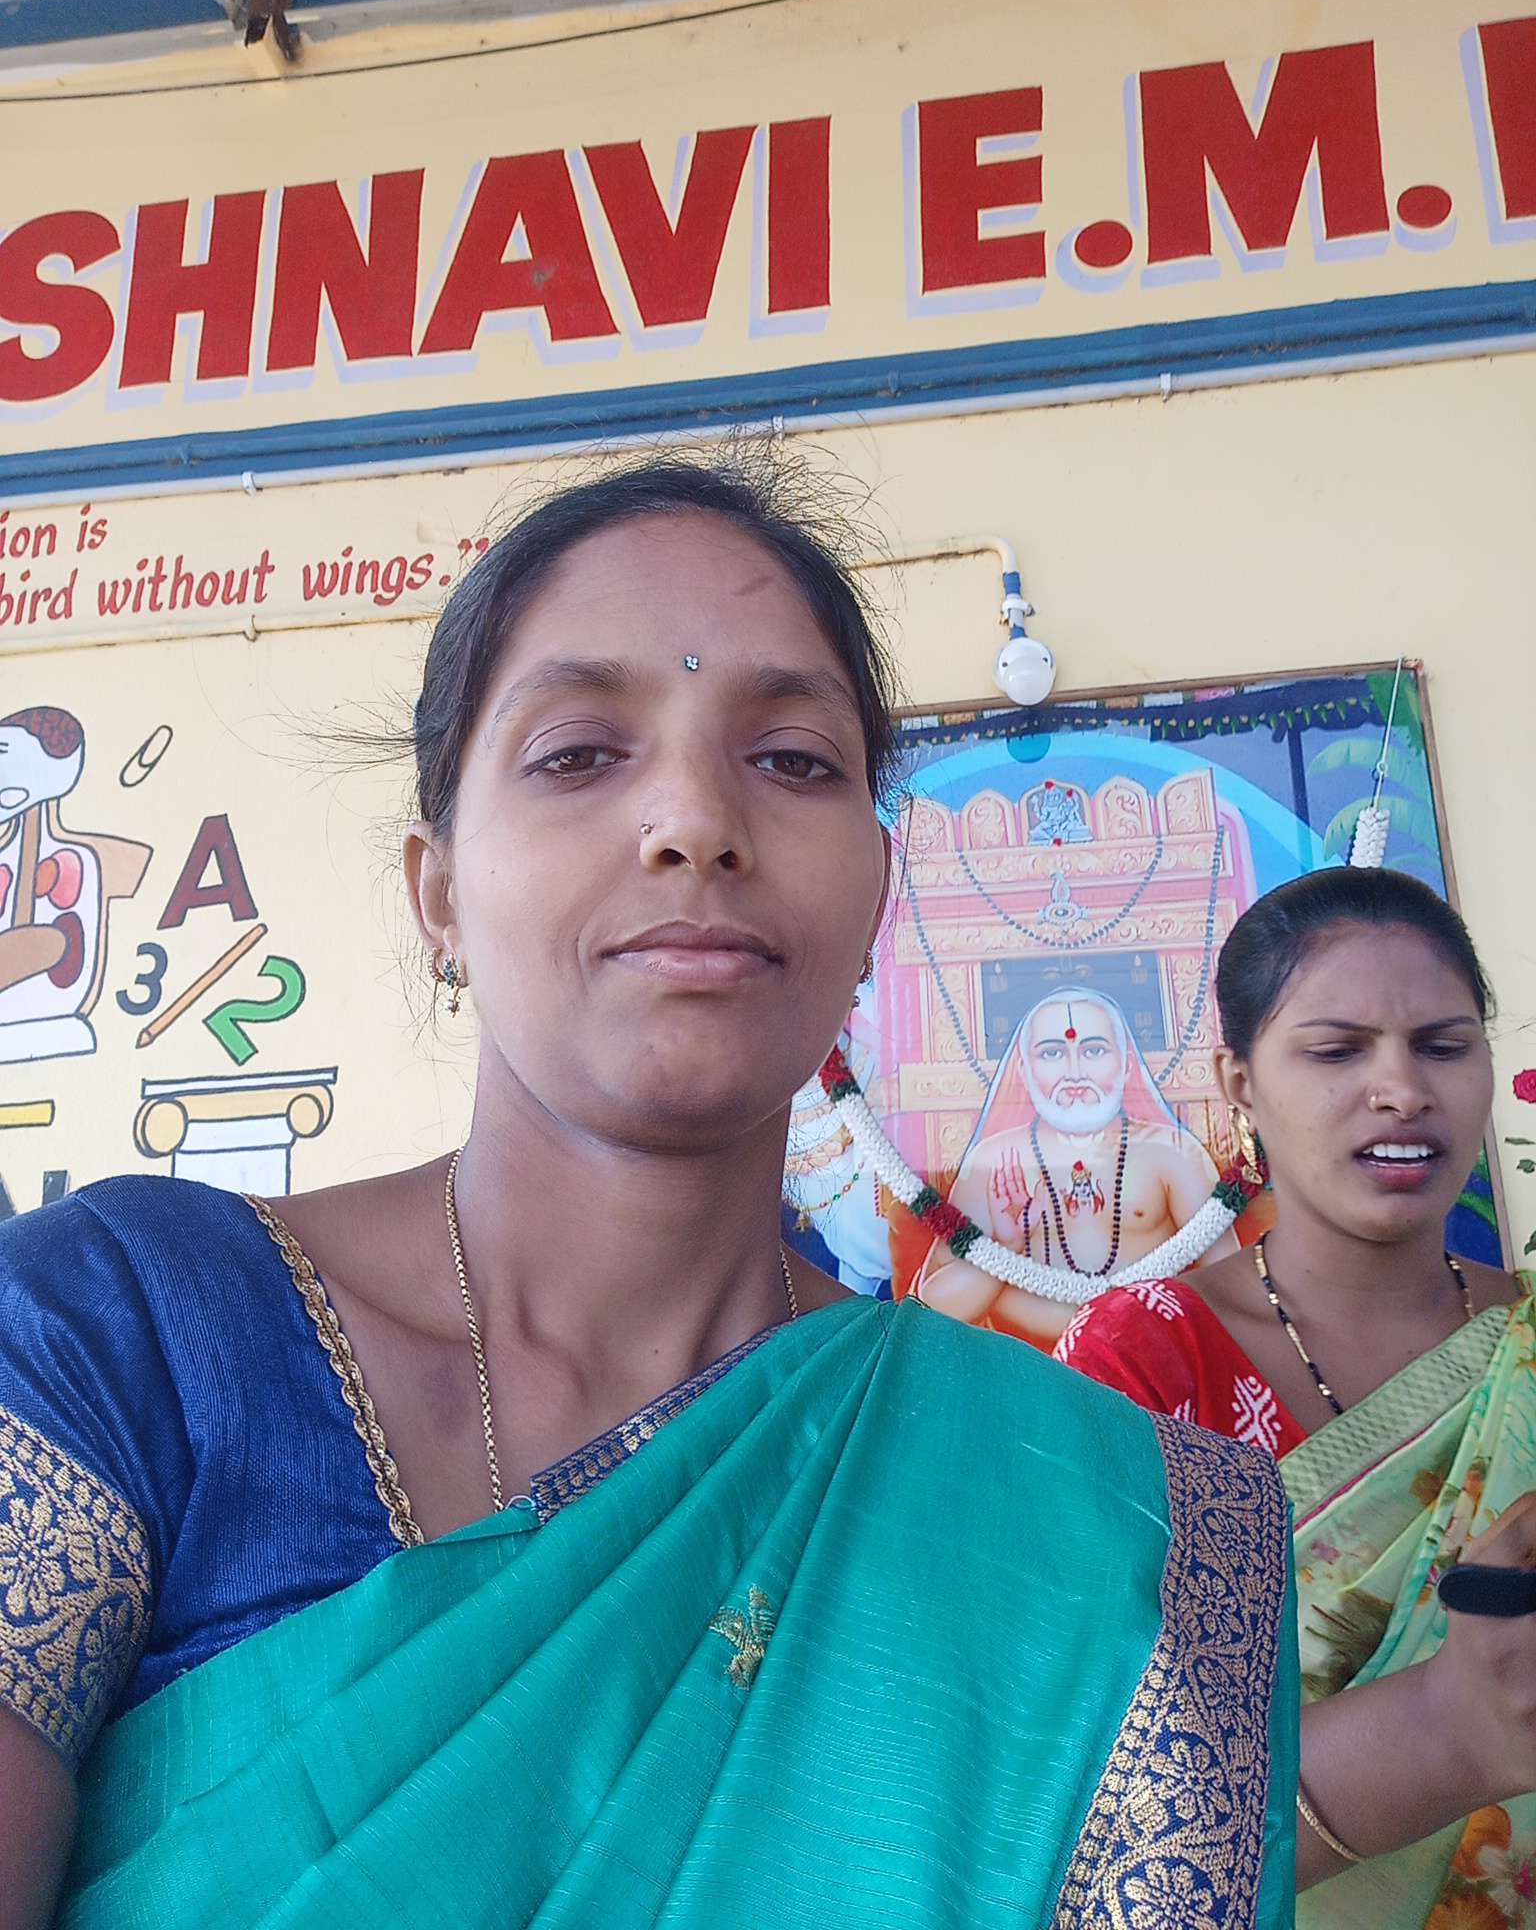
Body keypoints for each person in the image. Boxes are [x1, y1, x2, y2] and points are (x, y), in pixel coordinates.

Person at [0, 454, 1298, 1930]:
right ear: (438, 892)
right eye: (577, 753)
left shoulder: (1113, 1538)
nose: (694, 818)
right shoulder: (113, 1338)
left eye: (791, 759)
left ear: (877, 896)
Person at [1056, 867, 1536, 1923]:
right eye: (1336, 1050)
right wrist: (1441, 1727)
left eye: (1443, 1045)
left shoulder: (1527, 1349)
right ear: (1239, 1081)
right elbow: (1077, 1787)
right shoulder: (1146, 1362)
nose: (1401, 1088)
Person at [917, 987, 1235, 1345]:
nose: (1074, 1072)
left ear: (1126, 1063)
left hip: (1149, 1362)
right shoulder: (994, 1162)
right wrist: (1006, 1248)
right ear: (1024, 1069)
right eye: (1052, 1053)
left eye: (1094, 1050)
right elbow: (930, 1311)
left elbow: (1232, 1289)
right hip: (1024, 1367)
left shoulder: (1173, 1153)